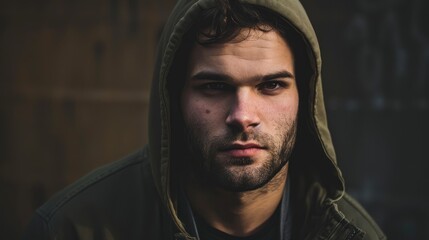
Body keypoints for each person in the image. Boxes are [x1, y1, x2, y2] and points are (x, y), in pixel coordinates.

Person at [23, 0, 386, 239]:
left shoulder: (351, 235)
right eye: (214, 86)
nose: (243, 116)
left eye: (271, 85)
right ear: (174, 96)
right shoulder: (71, 229)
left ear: (304, 96)